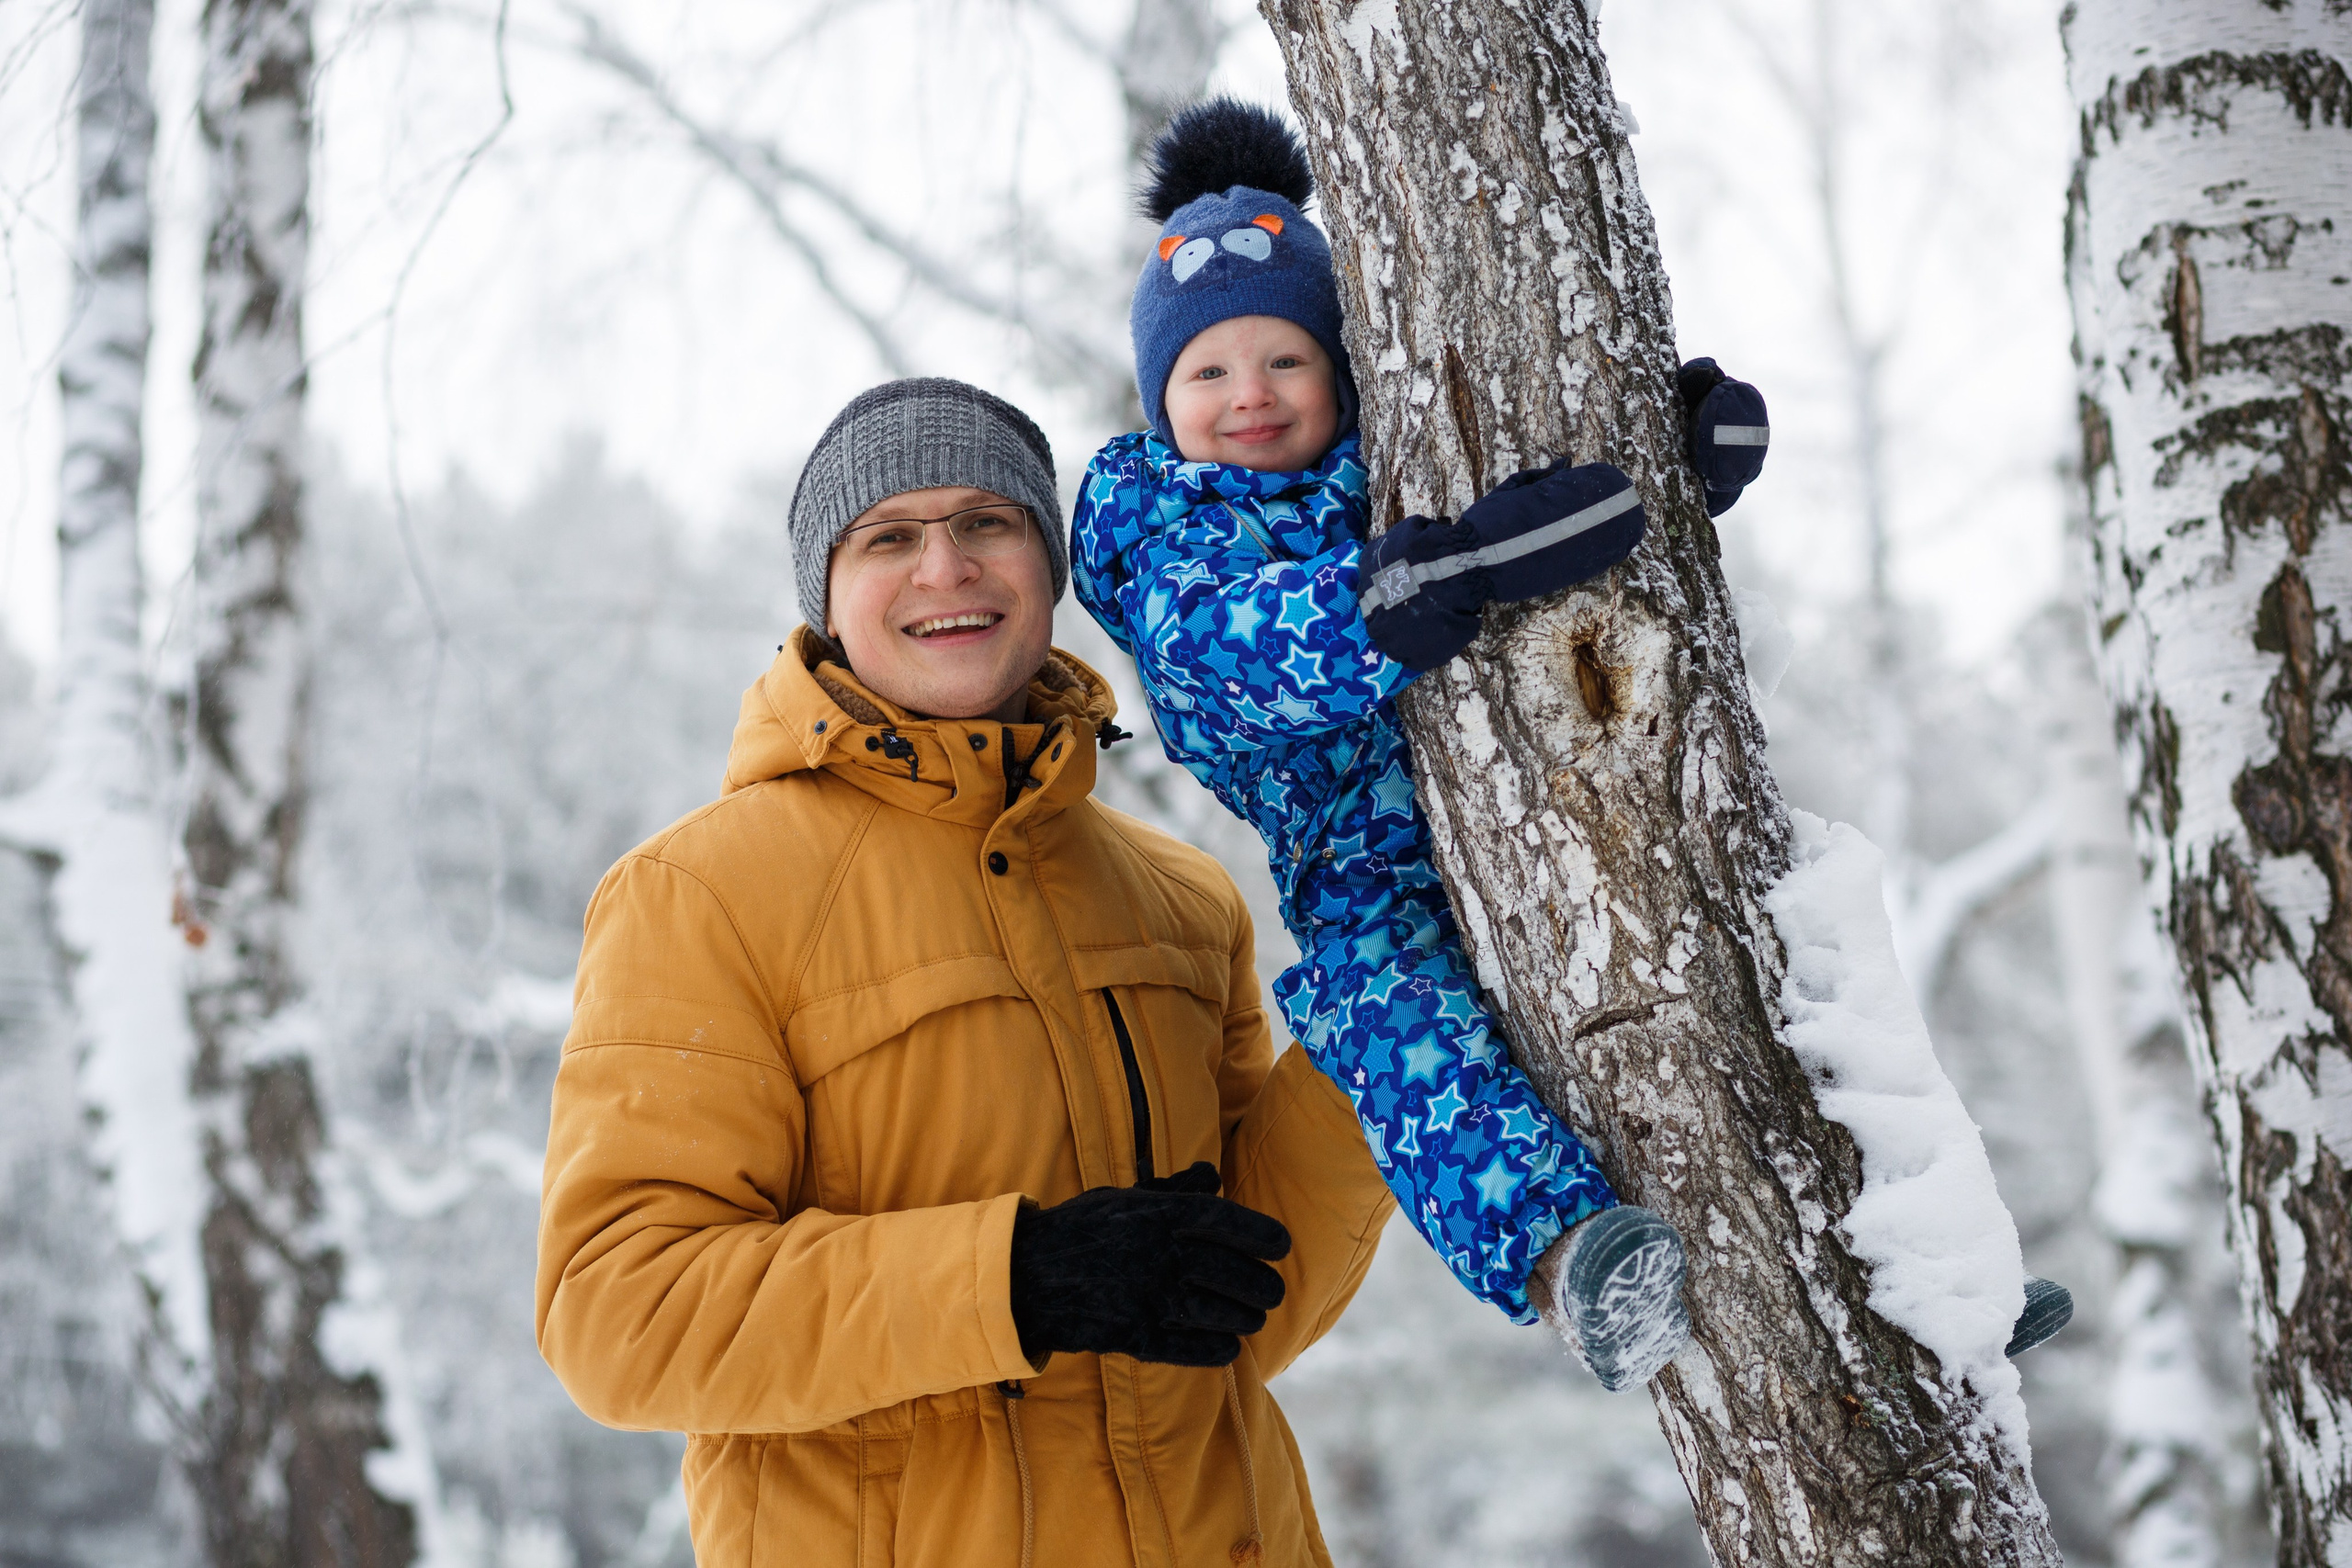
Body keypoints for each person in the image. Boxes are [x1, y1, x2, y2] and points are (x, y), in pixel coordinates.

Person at [1071, 99, 2072, 1386]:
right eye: (1207, 372)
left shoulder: (1394, 457)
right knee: (1382, 1017)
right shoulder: (1167, 532)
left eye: (1284, 362)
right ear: (1163, 399)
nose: (1248, 397)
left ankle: (1946, 1267)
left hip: (1542, 792)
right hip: (1364, 865)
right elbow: (1234, 653)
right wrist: (1420, 588)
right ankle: (1571, 1259)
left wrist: (1663, 463)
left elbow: (1543, 501)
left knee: (1782, 920)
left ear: (1340, 369)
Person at [536, 377, 1401, 1568]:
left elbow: (1245, 1294)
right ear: (827, 603)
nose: (946, 567)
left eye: (989, 523)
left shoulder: (1179, 899)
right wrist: (1016, 1279)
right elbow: (619, 1311)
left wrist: (1376, 1049)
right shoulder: (700, 897)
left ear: (1046, 570)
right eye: (889, 537)